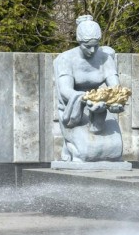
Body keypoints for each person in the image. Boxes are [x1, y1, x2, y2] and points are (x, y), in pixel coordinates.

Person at [53, 15, 125, 162]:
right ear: (79, 42)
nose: (92, 50)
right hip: (74, 108)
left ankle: (86, 132)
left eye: (96, 45)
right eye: (87, 46)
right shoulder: (66, 59)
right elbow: (65, 90)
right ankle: (70, 145)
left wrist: (116, 101)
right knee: (86, 153)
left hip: (99, 106)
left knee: (115, 150)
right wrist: (87, 100)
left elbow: (115, 87)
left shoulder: (105, 58)